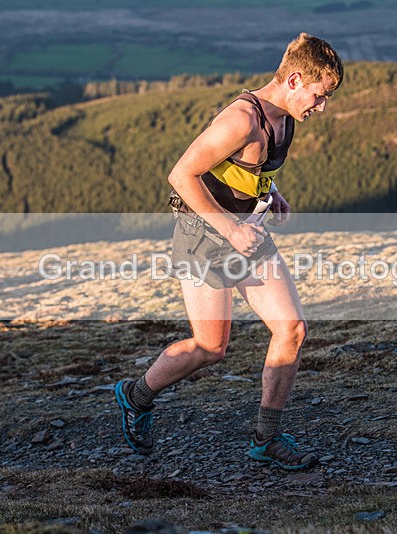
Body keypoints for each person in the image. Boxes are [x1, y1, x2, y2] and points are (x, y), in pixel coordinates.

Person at [114, 33, 343, 470]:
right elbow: (181, 176)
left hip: (246, 231)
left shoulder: (286, 117)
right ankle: (136, 396)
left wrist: (270, 192)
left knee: (292, 329)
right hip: (204, 234)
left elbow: (242, 168)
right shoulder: (241, 119)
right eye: (319, 95)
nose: (322, 106)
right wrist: (227, 226)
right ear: (294, 80)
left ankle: (266, 438)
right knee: (209, 347)